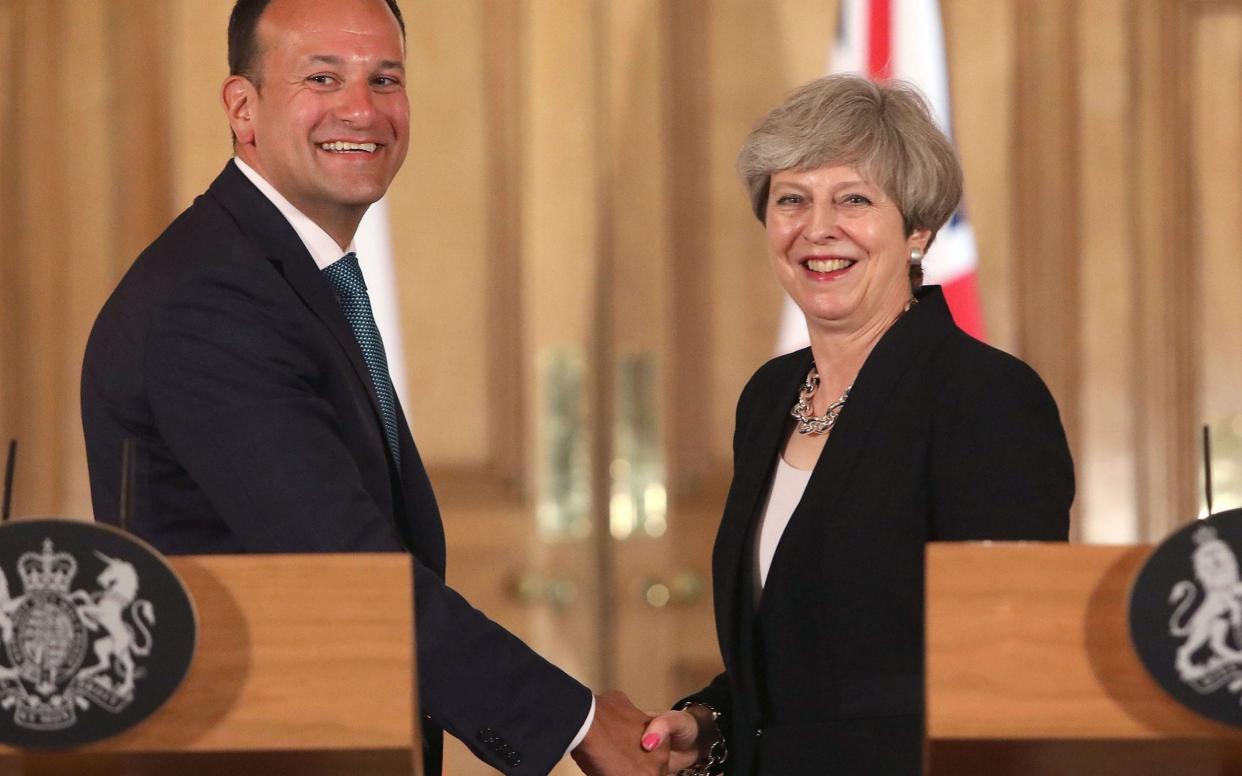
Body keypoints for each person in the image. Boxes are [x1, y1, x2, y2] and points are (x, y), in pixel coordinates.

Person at [79, 1, 666, 774]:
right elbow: (348, 573)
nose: (362, 108)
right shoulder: (214, 298)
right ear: (243, 108)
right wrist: (578, 723)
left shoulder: (283, 276)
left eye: (385, 78)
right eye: (323, 77)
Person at [638, 75, 1074, 775]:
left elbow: (1009, 664)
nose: (817, 229)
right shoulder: (769, 398)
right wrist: (710, 720)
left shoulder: (984, 397)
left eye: (854, 200)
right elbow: (804, 653)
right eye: (792, 200)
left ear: (918, 229)